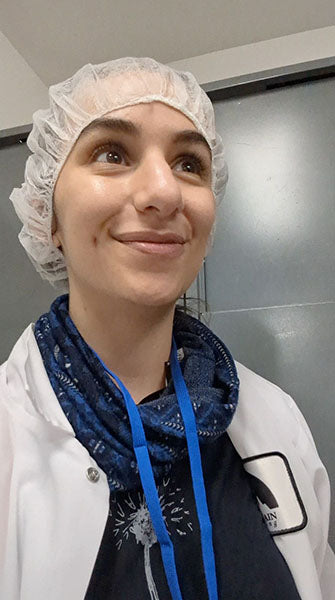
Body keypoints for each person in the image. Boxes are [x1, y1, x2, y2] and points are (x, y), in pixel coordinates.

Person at [1, 57, 334, 600]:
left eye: (188, 163)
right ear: (49, 217)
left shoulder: (273, 417)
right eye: (112, 153)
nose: (165, 191)